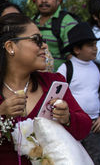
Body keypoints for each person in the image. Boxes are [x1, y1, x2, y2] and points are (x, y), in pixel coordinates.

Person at [0, 13, 91, 164]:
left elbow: (85, 128)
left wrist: (67, 118)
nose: (44, 46)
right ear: (10, 47)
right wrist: (2, 112)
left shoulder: (53, 83)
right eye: (36, 40)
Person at [57, 22, 100, 165]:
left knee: (94, 160)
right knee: (72, 159)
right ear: (77, 49)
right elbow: (56, 97)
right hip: (71, 124)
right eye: (90, 45)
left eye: (95, 44)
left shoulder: (98, 69)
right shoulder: (65, 69)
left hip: (94, 125)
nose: (95, 48)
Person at [33, 0, 79, 70]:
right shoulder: (31, 22)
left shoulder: (68, 23)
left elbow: (74, 58)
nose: (43, 0)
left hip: (59, 80)